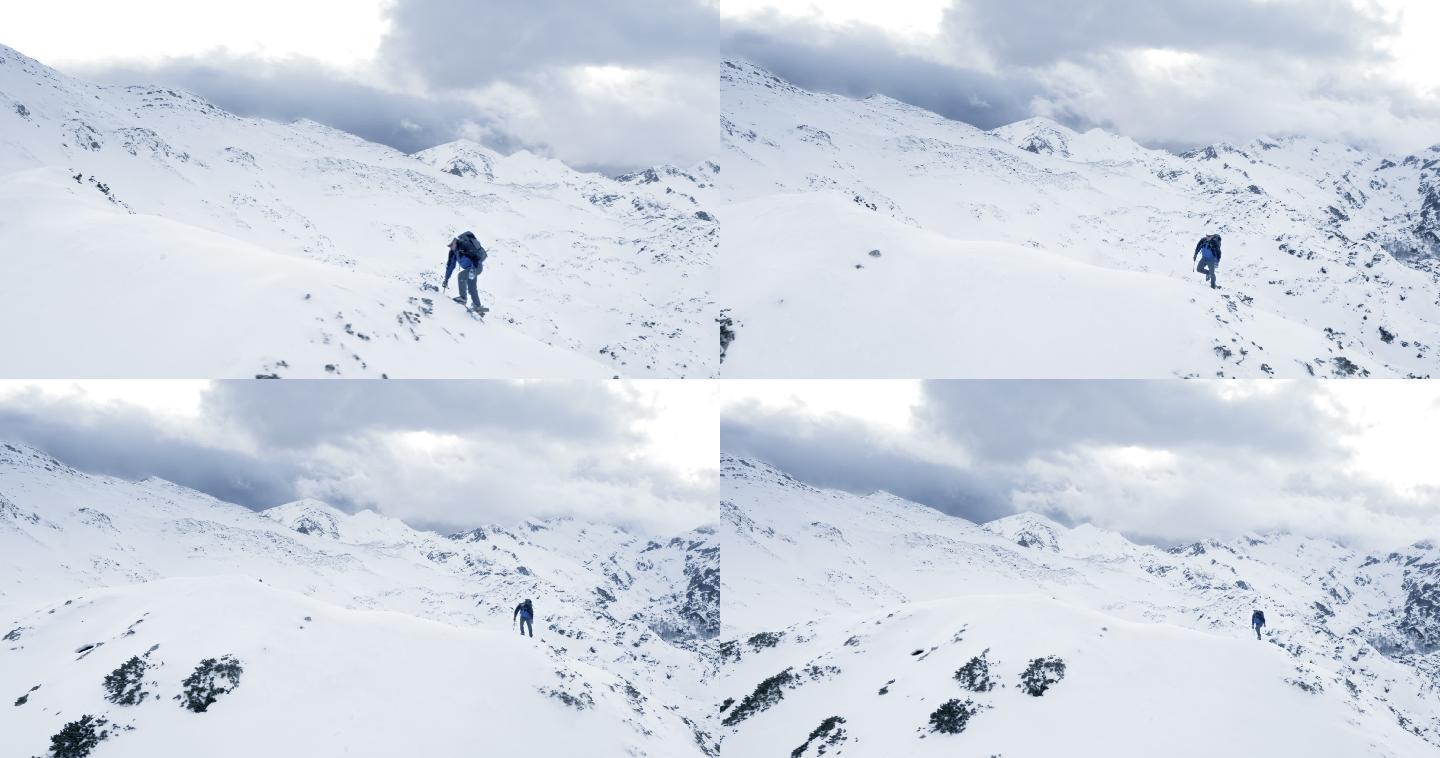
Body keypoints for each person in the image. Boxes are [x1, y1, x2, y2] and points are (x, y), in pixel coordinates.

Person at [443, 231, 488, 314]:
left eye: (451, 245)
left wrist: (472, 269)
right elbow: (450, 266)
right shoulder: (453, 252)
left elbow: (476, 257)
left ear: (454, 241)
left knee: (461, 275)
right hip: (469, 269)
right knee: (472, 287)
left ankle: (463, 298)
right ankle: (478, 307)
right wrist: (446, 279)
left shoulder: (464, 245)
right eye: (449, 246)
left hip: (476, 267)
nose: (450, 247)